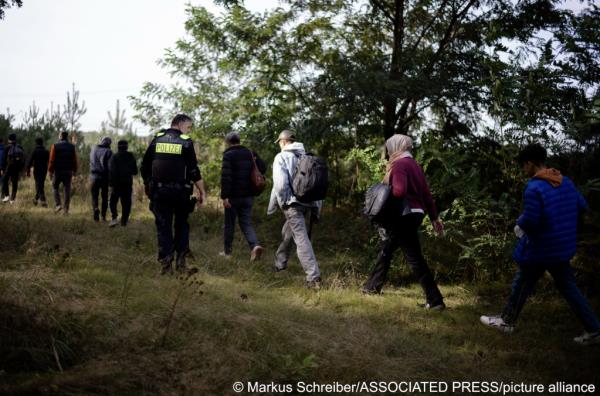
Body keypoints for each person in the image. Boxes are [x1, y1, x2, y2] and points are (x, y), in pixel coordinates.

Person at [480, 143, 600, 345]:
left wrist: (520, 224)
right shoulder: (566, 181)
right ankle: (594, 329)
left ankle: (507, 321)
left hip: (540, 248)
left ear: (529, 163)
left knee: (522, 282)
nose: (523, 170)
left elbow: (532, 220)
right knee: (569, 287)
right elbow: (582, 206)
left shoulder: (534, 187)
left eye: (523, 166)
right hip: (561, 247)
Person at [362, 134, 445, 310]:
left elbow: (399, 191)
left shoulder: (399, 164)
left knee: (414, 258)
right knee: (387, 249)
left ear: (396, 147)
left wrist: (385, 187)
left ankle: (436, 300)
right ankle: (371, 287)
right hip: (416, 214)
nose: (389, 150)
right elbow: (427, 196)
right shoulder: (415, 165)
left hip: (403, 216)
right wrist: (434, 219)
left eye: (390, 147)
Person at [141, 114, 206, 275]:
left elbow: (144, 166)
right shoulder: (185, 142)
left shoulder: (157, 140)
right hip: (181, 193)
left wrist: (147, 184)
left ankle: (166, 265)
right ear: (180, 124)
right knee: (182, 225)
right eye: (188, 127)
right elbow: (193, 171)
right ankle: (181, 263)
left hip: (160, 192)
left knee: (163, 227)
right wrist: (202, 190)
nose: (189, 130)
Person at [267, 130, 323, 288]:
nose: (279, 145)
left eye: (279, 142)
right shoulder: (308, 157)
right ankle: (280, 264)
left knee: (301, 239)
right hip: (308, 203)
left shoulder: (282, 157)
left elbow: (279, 184)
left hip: (292, 204)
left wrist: (284, 202)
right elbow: (316, 185)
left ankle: (313, 278)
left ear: (283, 142)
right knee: (288, 233)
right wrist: (317, 208)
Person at [220, 132, 267, 261]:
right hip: (248, 196)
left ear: (228, 142)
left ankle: (228, 253)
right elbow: (263, 168)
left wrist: (225, 197)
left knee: (230, 224)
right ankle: (255, 246)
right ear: (239, 141)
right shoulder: (250, 153)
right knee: (246, 223)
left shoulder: (228, 155)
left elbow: (226, 177)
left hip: (233, 197)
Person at [108, 140, 137, 227]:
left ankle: (114, 217)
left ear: (118, 147)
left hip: (116, 184)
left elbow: (111, 171)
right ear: (127, 147)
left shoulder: (114, 157)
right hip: (127, 184)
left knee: (113, 201)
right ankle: (124, 221)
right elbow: (135, 171)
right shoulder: (130, 156)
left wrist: (111, 184)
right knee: (126, 203)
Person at [49, 131, 78, 214]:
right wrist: (74, 170)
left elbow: (51, 160)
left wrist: (50, 171)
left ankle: (58, 205)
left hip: (58, 171)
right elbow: (75, 160)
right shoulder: (72, 147)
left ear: (61, 136)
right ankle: (66, 210)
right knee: (67, 190)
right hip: (68, 171)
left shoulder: (55, 146)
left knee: (54, 187)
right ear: (66, 137)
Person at [90, 136, 113, 221]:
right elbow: (111, 167)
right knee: (104, 197)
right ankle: (103, 216)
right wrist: (111, 180)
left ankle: (95, 208)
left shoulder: (93, 149)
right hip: (104, 177)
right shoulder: (109, 152)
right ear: (109, 144)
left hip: (93, 177)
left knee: (94, 196)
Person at [1, 133, 25, 204]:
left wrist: (2, 168)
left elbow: (3, 159)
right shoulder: (20, 147)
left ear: (9, 140)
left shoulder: (7, 148)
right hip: (16, 168)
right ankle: (12, 199)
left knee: (4, 180)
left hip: (8, 168)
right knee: (15, 183)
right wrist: (22, 169)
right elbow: (23, 158)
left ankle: (7, 195)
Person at [26, 137, 50, 207]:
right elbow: (50, 161)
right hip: (44, 170)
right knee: (41, 184)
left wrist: (28, 171)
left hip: (36, 170)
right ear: (42, 143)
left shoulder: (35, 151)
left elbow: (30, 161)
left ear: (36, 143)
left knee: (38, 184)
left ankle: (42, 201)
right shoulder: (46, 151)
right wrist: (51, 170)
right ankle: (38, 200)